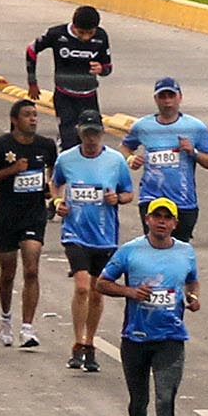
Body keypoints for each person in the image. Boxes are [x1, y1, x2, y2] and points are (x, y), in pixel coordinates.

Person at [102, 198, 202, 416]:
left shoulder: (185, 252)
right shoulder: (130, 251)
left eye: (166, 218)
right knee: (139, 403)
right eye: (156, 216)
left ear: (174, 223)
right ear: (147, 220)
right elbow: (102, 283)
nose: (161, 222)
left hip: (170, 339)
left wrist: (193, 298)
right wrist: (130, 292)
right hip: (136, 338)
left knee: (165, 402)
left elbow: (192, 281)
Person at [50, 117, 136, 370]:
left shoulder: (115, 161)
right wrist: (57, 204)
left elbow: (129, 193)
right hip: (75, 233)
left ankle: (90, 343)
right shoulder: (66, 159)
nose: (91, 139)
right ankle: (78, 343)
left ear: (102, 133)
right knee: (82, 287)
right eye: (87, 134)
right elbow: (55, 184)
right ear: (79, 133)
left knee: (98, 292)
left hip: (104, 235)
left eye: (95, 134)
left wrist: (116, 198)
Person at [0, 99, 58, 347]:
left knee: (32, 269)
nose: (33, 119)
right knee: (8, 273)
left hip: (33, 215)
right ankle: (5, 319)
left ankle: (28, 327)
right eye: (27, 115)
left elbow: (54, 173)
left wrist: (50, 191)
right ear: (15, 120)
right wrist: (11, 170)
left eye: (35, 115)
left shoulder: (46, 145)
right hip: (6, 216)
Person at [122, 76, 208, 242]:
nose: (167, 101)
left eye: (171, 96)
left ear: (179, 97)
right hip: (151, 199)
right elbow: (125, 148)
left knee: (178, 252)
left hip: (183, 202)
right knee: (154, 246)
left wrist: (193, 152)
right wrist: (131, 159)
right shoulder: (143, 126)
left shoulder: (195, 127)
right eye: (162, 96)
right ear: (155, 99)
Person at [27, 7, 115, 150]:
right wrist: (32, 81)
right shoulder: (57, 34)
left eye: (90, 33)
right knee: (70, 139)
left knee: (91, 139)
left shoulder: (101, 36)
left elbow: (108, 66)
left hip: (89, 97)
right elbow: (31, 50)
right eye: (81, 33)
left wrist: (101, 69)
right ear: (73, 26)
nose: (86, 37)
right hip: (64, 96)